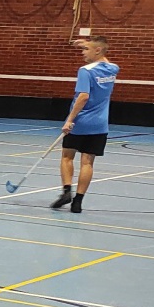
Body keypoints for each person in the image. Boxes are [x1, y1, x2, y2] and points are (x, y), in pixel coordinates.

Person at [52, 35, 119, 213]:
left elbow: (83, 96)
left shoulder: (85, 71)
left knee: (67, 157)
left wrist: (70, 119)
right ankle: (78, 202)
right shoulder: (113, 69)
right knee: (88, 163)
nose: (82, 52)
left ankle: (67, 191)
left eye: (86, 49)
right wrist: (87, 44)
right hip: (100, 124)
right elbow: (104, 59)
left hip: (80, 122)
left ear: (97, 50)